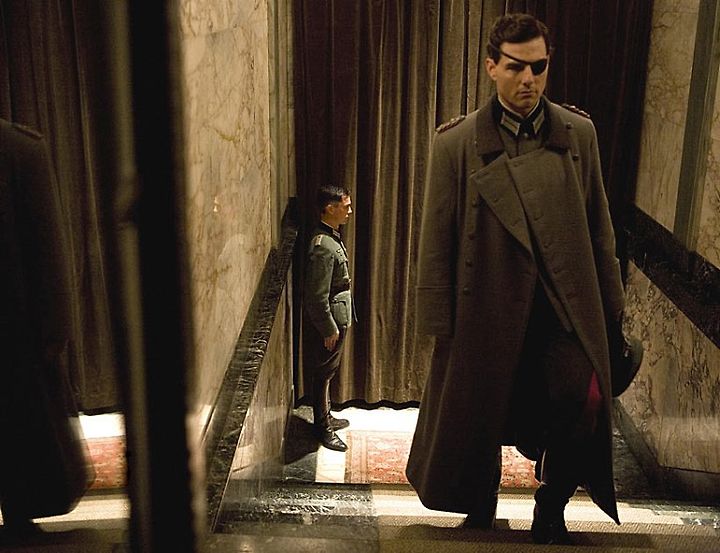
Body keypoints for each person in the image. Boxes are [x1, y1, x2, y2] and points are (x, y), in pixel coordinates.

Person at [406, 13, 627, 545]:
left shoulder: (578, 134)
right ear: (491, 67)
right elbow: (437, 234)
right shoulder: (456, 143)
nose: (528, 79)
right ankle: (479, 501)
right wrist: (439, 321)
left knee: (582, 404)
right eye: (515, 67)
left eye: (539, 67)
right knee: (477, 412)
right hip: (485, 305)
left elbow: (599, 228)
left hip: (562, 309)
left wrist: (612, 310)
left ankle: (551, 505)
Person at [302, 185, 354, 452]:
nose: (349, 211)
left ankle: (326, 415)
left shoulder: (331, 237)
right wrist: (328, 328)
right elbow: (316, 295)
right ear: (330, 208)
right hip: (331, 319)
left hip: (337, 314)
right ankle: (322, 427)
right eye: (345, 206)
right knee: (323, 372)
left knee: (329, 370)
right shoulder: (323, 246)